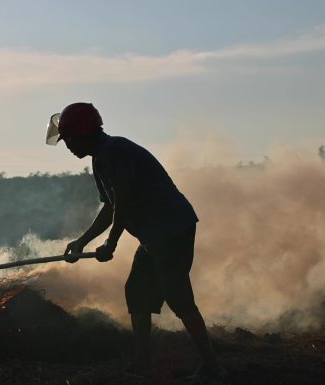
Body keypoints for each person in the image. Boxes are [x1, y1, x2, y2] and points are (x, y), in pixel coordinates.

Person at [46, 102, 226, 382]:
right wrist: (82, 241)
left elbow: (125, 201)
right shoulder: (100, 157)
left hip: (171, 230)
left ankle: (212, 367)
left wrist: (111, 243)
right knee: (137, 293)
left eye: (68, 138)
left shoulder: (114, 151)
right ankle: (142, 363)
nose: (67, 145)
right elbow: (110, 205)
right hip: (154, 236)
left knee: (178, 297)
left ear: (82, 133)